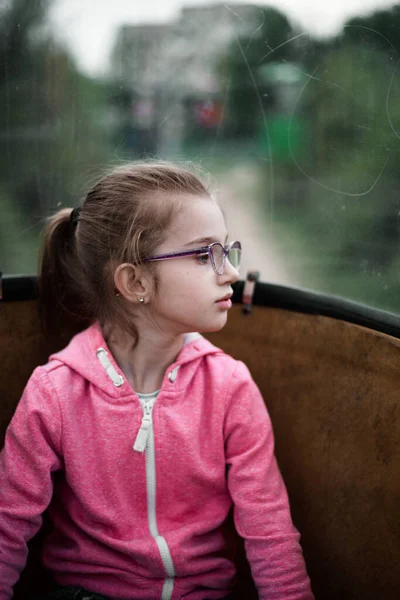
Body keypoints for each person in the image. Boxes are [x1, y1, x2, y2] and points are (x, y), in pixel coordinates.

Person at [0, 161, 314, 600]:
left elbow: (271, 534)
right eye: (206, 255)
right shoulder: (54, 393)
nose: (230, 274)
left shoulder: (230, 387)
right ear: (134, 282)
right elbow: (6, 531)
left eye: (227, 251)